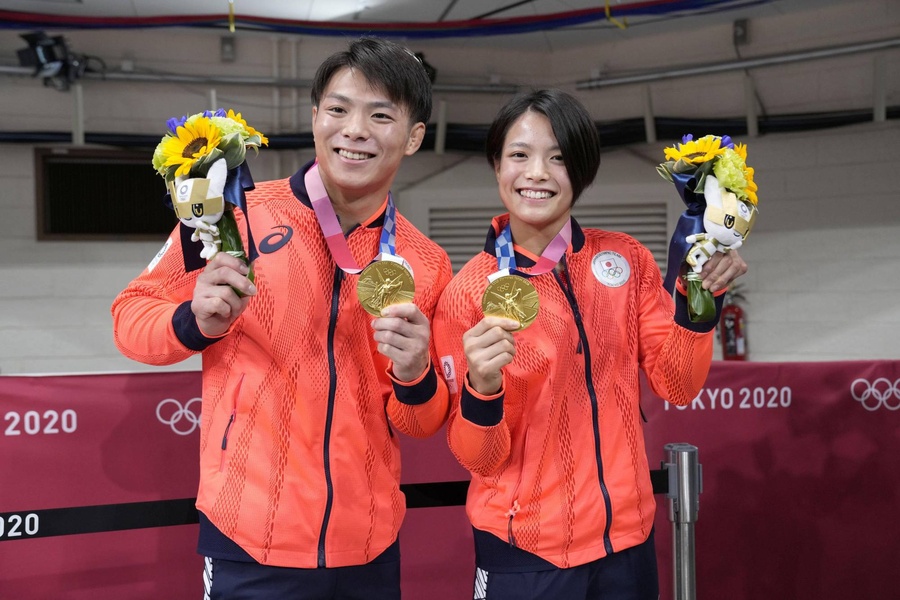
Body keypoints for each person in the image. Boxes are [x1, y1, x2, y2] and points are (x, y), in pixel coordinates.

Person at [111, 37, 452, 600]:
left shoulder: (424, 260)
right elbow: (130, 318)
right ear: (315, 116)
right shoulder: (233, 217)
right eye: (338, 109)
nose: (355, 129)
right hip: (249, 537)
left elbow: (420, 422)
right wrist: (194, 320)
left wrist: (416, 373)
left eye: (380, 115)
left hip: (368, 542)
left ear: (413, 136)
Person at [432, 89, 747, 600]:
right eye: (520, 155)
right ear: (496, 166)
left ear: (581, 171)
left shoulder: (627, 260)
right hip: (525, 553)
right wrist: (482, 386)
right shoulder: (466, 292)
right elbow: (479, 460)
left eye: (558, 158)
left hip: (627, 543)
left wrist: (699, 301)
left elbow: (678, 384)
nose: (537, 172)